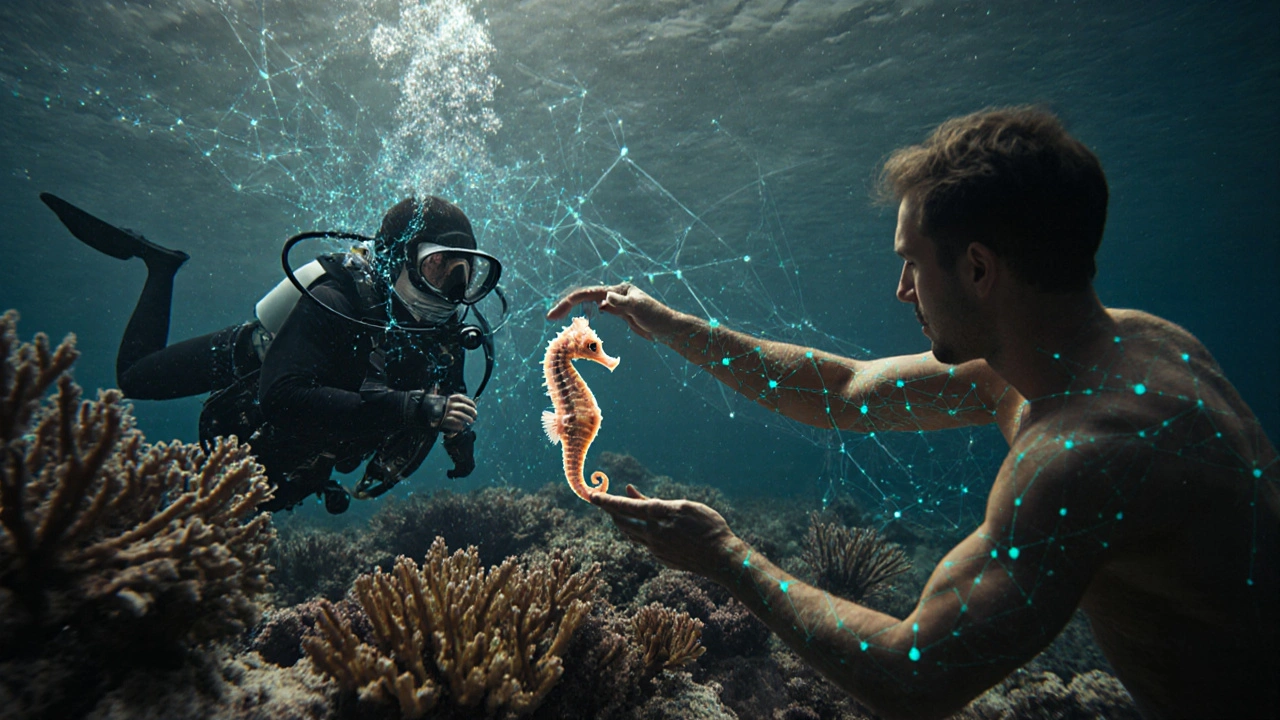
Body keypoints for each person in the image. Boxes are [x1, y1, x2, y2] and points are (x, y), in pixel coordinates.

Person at [547, 107, 1278, 719]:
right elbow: (843, 391)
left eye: (911, 262)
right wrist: (667, 322)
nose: (902, 290)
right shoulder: (1130, 344)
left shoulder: (1084, 456)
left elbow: (917, 676)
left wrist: (723, 557)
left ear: (979, 270)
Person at [41, 193, 502, 513]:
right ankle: (159, 267)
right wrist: (414, 408)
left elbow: (452, 393)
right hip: (253, 359)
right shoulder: (337, 300)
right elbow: (280, 395)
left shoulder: (442, 331)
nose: (455, 290)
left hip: (308, 452)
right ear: (395, 259)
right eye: (440, 266)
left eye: (467, 271)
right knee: (135, 379)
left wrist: (460, 446)